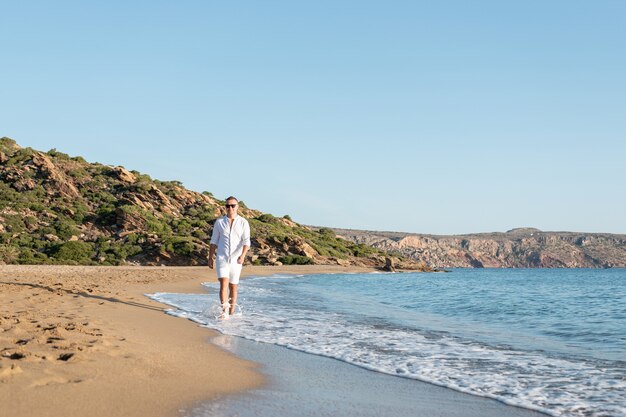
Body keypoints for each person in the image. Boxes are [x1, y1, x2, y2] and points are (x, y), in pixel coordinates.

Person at [208, 196, 251, 319]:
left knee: (233, 286)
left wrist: (242, 256)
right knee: (223, 283)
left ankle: (231, 312)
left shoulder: (243, 222)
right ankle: (224, 312)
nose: (230, 208)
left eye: (233, 205)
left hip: (237, 260)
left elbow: (246, 242)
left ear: (237, 207)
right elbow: (213, 241)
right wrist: (210, 257)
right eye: (228, 206)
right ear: (225, 207)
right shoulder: (219, 222)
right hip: (222, 258)